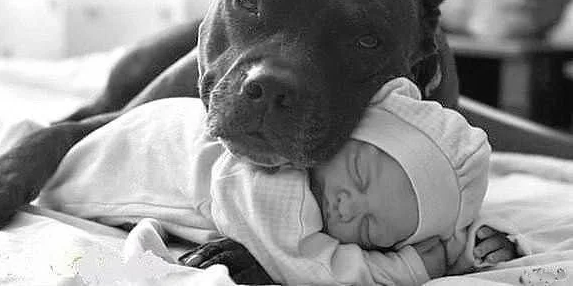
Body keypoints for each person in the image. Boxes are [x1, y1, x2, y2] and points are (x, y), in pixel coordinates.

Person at [37, 77, 516, 285]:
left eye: (369, 229)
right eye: (358, 173)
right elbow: (308, 265)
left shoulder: (340, 182)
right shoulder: (273, 174)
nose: (348, 206)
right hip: (98, 168)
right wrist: (409, 269)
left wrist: (471, 246)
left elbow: (433, 222)